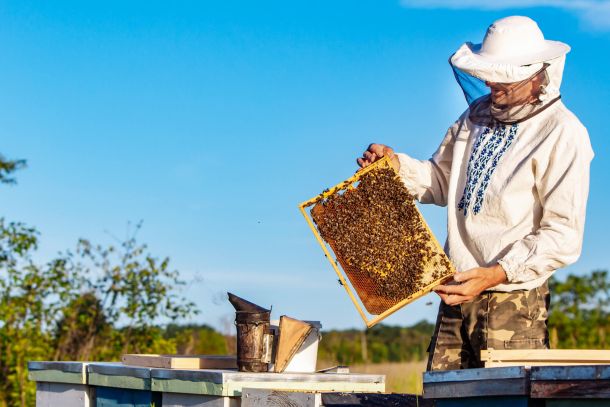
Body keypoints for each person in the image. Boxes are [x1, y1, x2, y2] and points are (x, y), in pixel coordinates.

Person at [357, 16, 594, 370]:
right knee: (443, 394)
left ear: (534, 75)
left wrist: (496, 273)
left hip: (513, 302)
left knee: (503, 397)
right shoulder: (475, 117)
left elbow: (562, 235)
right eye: (489, 76)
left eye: (503, 81)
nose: (492, 85)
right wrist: (396, 167)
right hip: (454, 292)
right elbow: (441, 181)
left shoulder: (562, 133)